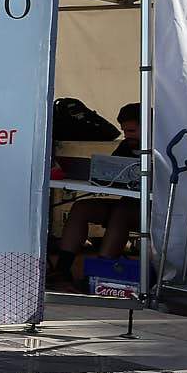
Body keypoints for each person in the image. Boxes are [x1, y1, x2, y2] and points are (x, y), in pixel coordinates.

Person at [53, 102, 143, 291]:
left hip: (155, 211)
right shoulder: (126, 146)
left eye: (132, 131)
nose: (127, 136)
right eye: (124, 131)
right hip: (128, 202)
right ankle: (62, 270)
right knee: (81, 208)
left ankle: (102, 273)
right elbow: (110, 170)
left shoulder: (161, 149)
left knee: (122, 212)